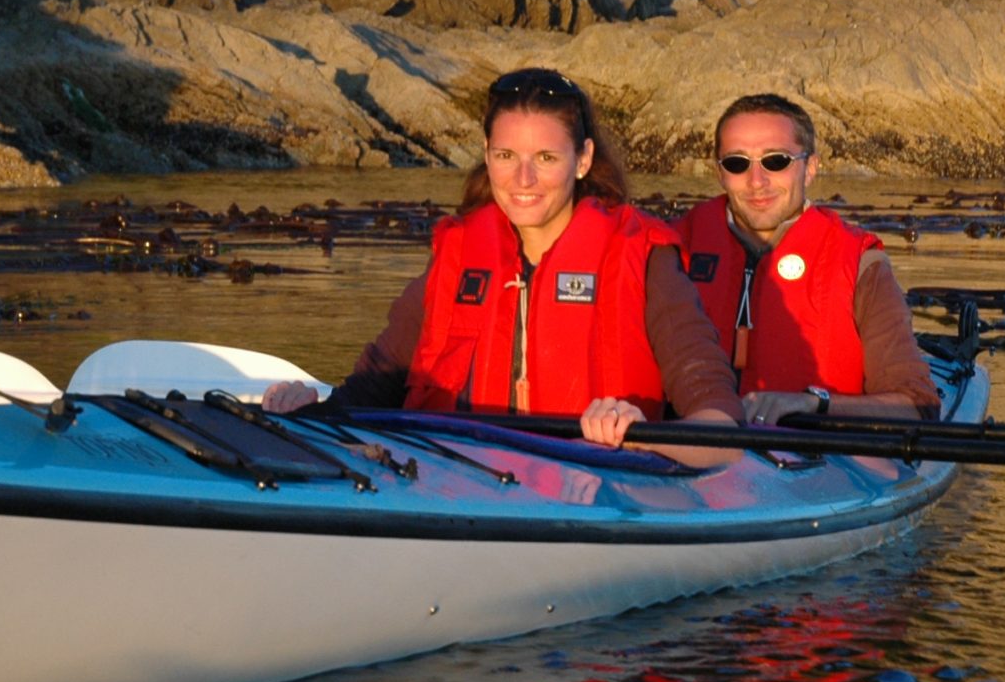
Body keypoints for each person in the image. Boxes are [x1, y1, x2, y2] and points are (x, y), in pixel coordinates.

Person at [262, 68, 741, 449]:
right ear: (487, 155)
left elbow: (719, 425)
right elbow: (365, 396)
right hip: (459, 483)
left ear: (584, 159)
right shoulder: (457, 254)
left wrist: (639, 437)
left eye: (547, 158)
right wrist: (306, 414)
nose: (523, 178)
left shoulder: (644, 257)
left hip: (601, 489)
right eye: (506, 155)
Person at [673, 93, 939, 425]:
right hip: (693, 446)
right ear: (719, 172)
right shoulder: (671, 249)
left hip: (819, 452)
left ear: (810, 168)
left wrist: (813, 404)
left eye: (776, 161)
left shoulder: (860, 264)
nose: (757, 182)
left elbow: (917, 405)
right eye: (737, 163)